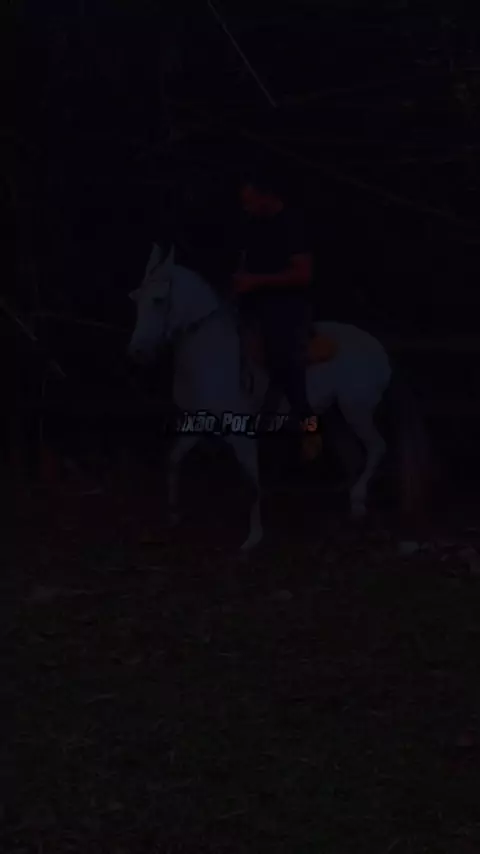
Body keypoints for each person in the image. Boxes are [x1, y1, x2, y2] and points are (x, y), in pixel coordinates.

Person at [232, 169, 322, 460]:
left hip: (287, 310)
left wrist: (257, 282)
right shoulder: (253, 226)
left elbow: (303, 274)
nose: (245, 207)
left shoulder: (292, 225)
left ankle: (309, 426)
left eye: (249, 201)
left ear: (266, 196)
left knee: (283, 361)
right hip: (254, 307)